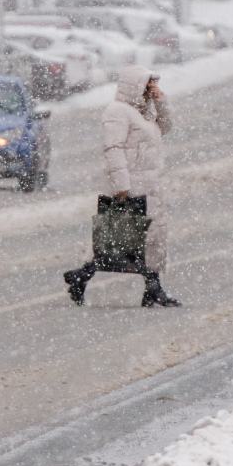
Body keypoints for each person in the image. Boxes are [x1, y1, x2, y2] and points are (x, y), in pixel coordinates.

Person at [63, 65, 181, 307]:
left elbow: (165, 127)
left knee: (147, 240)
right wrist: (122, 184)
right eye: (148, 85)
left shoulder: (144, 114)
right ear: (135, 86)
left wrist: (161, 101)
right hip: (131, 186)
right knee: (120, 241)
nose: (151, 90)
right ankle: (82, 276)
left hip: (150, 186)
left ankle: (152, 288)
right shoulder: (117, 112)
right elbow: (113, 148)